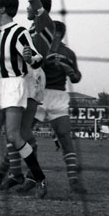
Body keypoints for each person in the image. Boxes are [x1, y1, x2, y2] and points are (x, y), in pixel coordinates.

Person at [0, 0, 48, 199]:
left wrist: (30, 58)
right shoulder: (0, 32)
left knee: (14, 136)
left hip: (13, 85)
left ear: (3, 10)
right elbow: (2, 58)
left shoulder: (19, 31)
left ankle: (40, 178)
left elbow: (37, 57)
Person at [0, 0, 55, 195]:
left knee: (18, 131)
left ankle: (25, 175)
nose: (27, 8)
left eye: (30, 6)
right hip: (23, 76)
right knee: (18, 131)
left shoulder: (44, 22)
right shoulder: (29, 29)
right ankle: (21, 174)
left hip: (33, 76)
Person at [37, 21, 87, 193]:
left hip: (58, 96)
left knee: (65, 137)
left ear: (57, 33)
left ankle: (74, 181)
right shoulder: (41, 48)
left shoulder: (68, 53)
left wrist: (69, 71)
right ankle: (24, 176)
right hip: (39, 93)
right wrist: (47, 62)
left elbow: (76, 77)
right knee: (23, 135)